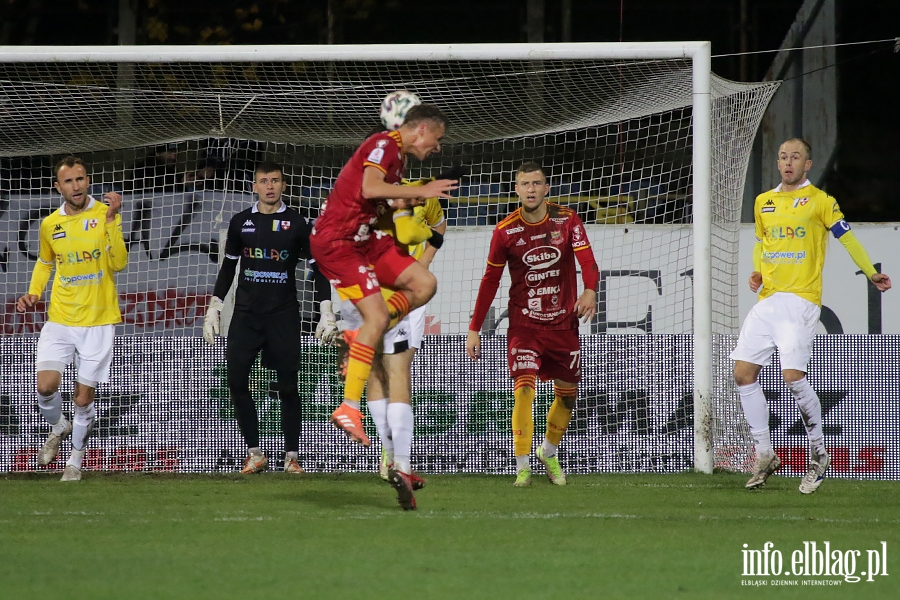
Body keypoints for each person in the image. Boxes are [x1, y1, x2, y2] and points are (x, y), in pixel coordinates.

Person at [732, 138, 891, 494]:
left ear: (808, 164)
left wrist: (870, 272)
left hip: (801, 301)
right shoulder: (764, 202)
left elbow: (847, 238)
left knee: (792, 377)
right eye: (784, 157)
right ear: (778, 163)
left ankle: (819, 453)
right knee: (743, 374)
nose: (789, 162)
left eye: (796, 157)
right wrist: (757, 271)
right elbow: (762, 242)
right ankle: (764, 454)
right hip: (769, 301)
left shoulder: (821, 201)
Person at [309, 103, 457, 477]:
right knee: (377, 321)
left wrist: (404, 202)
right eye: (436, 140)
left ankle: (366, 335)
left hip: (366, 240)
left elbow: (381, 204)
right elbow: (368, 187)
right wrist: (417, 190)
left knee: (425, 283)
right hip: (338, 242)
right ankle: (348, 406)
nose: (436, 148)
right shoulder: (384, 143)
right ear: (420, 129)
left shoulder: (399, 162)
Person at [466, 162, 599, 486]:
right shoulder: (504, 231)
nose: (530, 189)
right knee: (524, 390)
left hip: (563, 325)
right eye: (524, 183)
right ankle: (522, 465)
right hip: (524, 324)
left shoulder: (567, 221)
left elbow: (588, 263)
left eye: (536, 183)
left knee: (567, 395)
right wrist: (474, 328)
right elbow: (490, 281)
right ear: (516, 189)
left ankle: (548, 452)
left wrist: (590, 291)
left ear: (546, 188)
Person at [203, 161, 338, 475]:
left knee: (288, 386)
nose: (270, 186)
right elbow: (228, 267)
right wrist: (214, 306)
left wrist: (326, 311)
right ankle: (255, 453)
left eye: (275, 180)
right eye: (263, 181)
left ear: (284, 185)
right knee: (236, 381)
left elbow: (319, 269)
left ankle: (292, 456)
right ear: (254, 186)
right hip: (246, 316)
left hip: (283, 315)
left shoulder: (297, 223)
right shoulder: (240, 222)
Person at [338, 179, 455, 510]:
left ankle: (392, 455)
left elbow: (439, 227)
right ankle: (396, 457)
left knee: (388, 370)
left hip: (392, 289)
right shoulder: (370, 196)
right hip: (377, 289)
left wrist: (422, 265)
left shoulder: (413, 193)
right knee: (390, 369)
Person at [16, 156, 128, 482]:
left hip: (98, 320)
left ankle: (75, 461)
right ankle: (58, 426)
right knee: (45, 386)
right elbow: (45, 262)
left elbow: (118, 263)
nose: (75, 186)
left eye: (80, 179)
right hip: (61, 317)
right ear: (58, 187)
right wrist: (34, 292)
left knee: (82, 398)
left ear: (88, 181)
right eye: (68, 181)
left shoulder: (104, 214)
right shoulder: (50, 224)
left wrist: (111, 220)